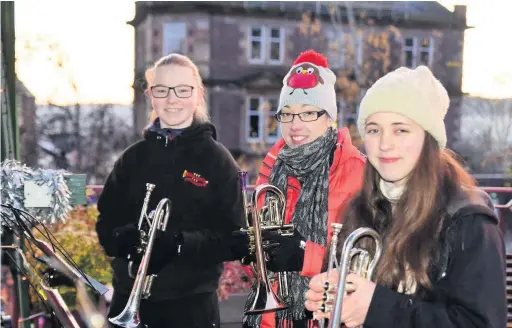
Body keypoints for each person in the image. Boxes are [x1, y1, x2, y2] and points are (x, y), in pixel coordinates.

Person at [304, 65, 506, 328]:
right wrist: (333, 293)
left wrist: (376, 308)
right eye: (374, 130)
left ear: (428, 139)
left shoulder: (469, 221)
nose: (384, 143)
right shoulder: (358, 208)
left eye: (400, 130)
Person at [95, 53, 245, 328]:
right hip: (129, 298)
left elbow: (235, 239)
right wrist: (120, 238)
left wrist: (179, 243)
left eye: (182, 90)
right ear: (150, 95)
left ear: (198, 94)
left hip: (190, 307)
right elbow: (106, 222)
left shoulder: (218, 161)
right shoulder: (132, 158)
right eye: (162, 90)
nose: (172, 99)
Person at [240, 50, 366, 328]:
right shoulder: (273, 165)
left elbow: (364, 260)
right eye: (286, 114)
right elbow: (265, 248)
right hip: (274, 317)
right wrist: (253, 248)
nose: (295, 125)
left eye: (308, 113)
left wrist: (303, 254)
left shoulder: (357, 170)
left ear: (329, 116)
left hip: (328, 315)